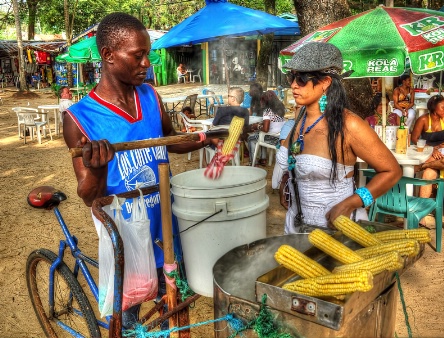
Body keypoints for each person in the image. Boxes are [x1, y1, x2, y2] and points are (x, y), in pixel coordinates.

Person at [62, 12, 212, 328]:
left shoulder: (150, 96)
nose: (147, 63)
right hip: (127, 238)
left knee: (174, 310)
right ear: (108, 55)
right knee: (130, 323)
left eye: (148, 54)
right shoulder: (79, 119)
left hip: (167, 228)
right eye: (138, 55)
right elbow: (88, 194)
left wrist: (206, 139)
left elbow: (171, 141)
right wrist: (98, 169)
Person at [276, 42, 402, 233]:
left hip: (338, 232)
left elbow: (392, 172)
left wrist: (352, 202)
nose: (293, 84)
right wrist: (288, 180)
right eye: (291, 76)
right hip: (296, 228)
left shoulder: (348, 125)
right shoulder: (300, 118)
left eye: (301, 78)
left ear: (325, 83)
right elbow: (294, 162)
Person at [412, 95, 444, 201]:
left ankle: (423, 165)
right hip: (431, 153)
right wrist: (431, 148)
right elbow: (414, 139)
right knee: (428, 174)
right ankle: (421, 212)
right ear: (434, 107)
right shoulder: (423, 120)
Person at [247, 90, 285, 166]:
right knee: (259, 134)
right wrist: (261, 124)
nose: (260, 102)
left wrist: (257, 126)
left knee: (251, 138)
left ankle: (253, 162)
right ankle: (263, 158)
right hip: (279, 137)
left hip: (271, 137)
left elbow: (266, 129)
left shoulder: (267, 111)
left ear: (265, 101)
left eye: (262, 100)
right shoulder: (280, 109)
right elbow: (274, 121)